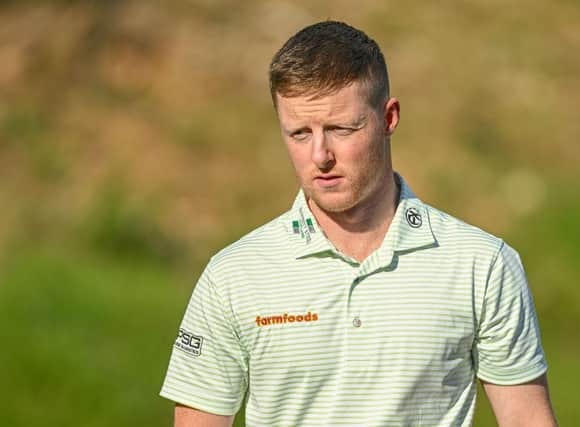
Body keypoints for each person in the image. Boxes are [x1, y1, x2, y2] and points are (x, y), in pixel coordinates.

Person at [160, 21, 558, 427]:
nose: (320, 155)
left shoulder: (483, 266)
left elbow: (527, 419)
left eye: (341, 129)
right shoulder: (233, 276)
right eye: (299, 133)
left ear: (389, 118)